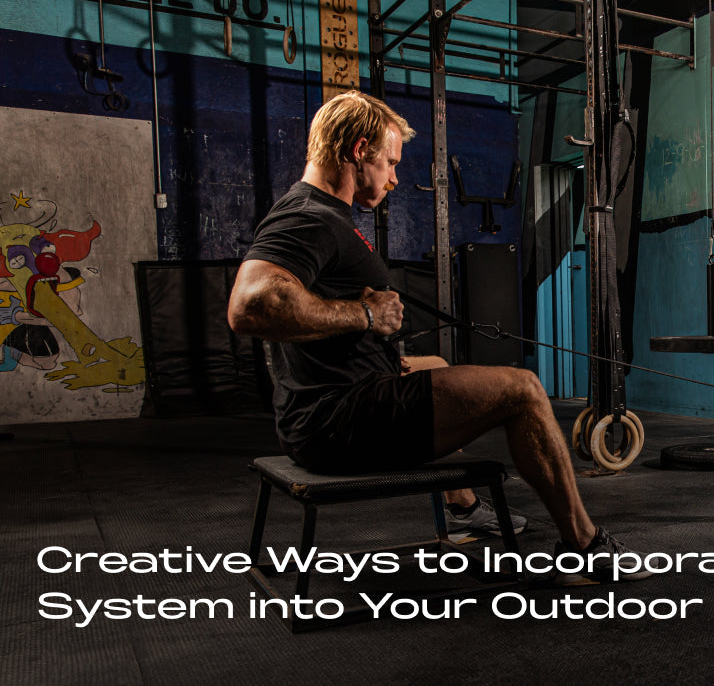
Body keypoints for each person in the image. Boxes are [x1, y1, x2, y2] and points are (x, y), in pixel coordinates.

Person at [227, 90, 657, 584]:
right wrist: (365, 316)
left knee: (433, 366)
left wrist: (372, 339)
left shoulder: (324, 213)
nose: (393, 177)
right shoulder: (309, 216)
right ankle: (585, 547)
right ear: (357, 149)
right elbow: (250, 306)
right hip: (337, 422)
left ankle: (465, 509)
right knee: (524, 390)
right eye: (389, 162)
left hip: (324, 410)